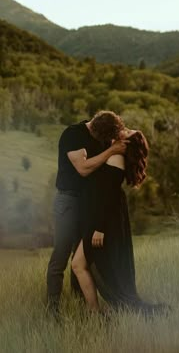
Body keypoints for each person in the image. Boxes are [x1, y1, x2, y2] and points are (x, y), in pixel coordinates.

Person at [71, 128, 171, 317]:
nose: (122, 130)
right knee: (81, 264)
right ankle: (95, 311)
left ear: (127, 143)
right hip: (101, 216)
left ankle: (94, 313)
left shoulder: (117, 157)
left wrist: (99, 228)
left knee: (78, 264)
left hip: (104, 219)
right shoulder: (112, 153)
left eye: (126, 131)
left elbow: (109, 195)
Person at [46, 111, 128, 316]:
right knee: (61, 254)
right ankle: (52, 309)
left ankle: (80, 303)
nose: (107, 142)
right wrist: (111, 151)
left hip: (88, 203)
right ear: (95, 128)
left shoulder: (103, 137)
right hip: (68, 200)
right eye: (105, 139)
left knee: (81, 255)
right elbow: (83, 169)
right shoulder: (73, 134)